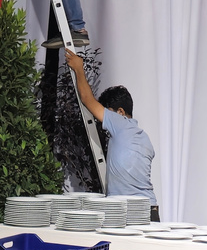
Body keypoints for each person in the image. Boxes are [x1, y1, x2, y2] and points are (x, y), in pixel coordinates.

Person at [65, 52, 159, 219]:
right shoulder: (145, 139)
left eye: (107, 112)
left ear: (120, 112)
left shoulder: (119, 122)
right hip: (150, 209)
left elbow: (87, 99)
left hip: (128, 211)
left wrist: (79, 68)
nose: (102, 121)